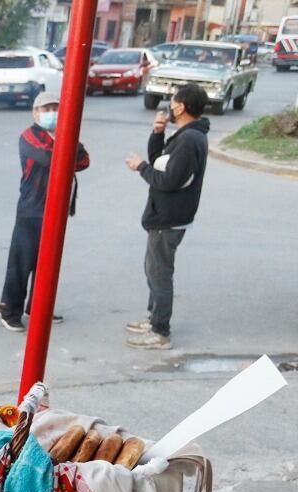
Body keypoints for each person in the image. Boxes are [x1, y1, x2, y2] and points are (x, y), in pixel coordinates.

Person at [123, 83, 210, 349]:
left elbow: (168, 180)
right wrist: (157, 134)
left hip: (170, 218)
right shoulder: (185, 135)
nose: (169, 107)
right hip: (165, 215)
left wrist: (141, 167)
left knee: (160, 273)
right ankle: (154, 318)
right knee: (153, 270)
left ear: (181, 107)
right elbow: (161, 160)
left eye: (172, 102)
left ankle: (160, 331)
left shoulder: (189, 140)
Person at [0, 90, 90, 332]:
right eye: (46, 109)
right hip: (32, 211)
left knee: (46, 265)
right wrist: (68, 143)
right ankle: (10, 311)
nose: (51, 113)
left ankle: (38, 308)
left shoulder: (64, 135)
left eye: (55, 109)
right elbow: (50, 158)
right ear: (35, 113)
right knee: (21, 263)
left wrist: (67, 141)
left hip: (57, 211)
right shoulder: (29, 136)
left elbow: (84, 161)